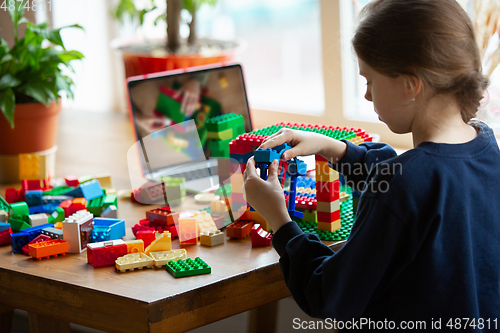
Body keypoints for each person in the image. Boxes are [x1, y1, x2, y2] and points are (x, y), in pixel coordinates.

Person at [243, 0, 500, 330]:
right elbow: (414, 182)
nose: (366, 95)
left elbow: (328, 295)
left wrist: (278, 218)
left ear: (410, 85)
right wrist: (332, 148)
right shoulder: (485, 147)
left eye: (369, 81)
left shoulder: (404, 184)